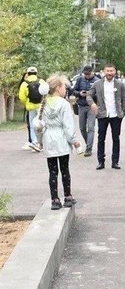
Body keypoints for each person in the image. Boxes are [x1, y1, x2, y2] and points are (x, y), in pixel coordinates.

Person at [36, 75, 81, 210]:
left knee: (52, 171)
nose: (65, 90)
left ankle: (54, 199)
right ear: (58, 88)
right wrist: (74, 140)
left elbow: (39, 125)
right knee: (64, 169)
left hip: (48, 139)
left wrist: (40, 142)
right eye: (64, 87)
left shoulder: (43, 104)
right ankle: (67, 196)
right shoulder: (64, 104)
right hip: (61, 139)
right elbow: (68, 126)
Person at [87, 63, 125, 170]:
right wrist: (93, 104)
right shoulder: (97, 84)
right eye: (107, 71)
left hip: (116, 115)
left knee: (116, 139)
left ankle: (115, 162)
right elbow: (88, 95)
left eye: (111, 71)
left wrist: (123, 112)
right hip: (102, 115)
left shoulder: (120, 84)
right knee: (101, 139)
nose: (109, 73)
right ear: (104, 72)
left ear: (115, 72)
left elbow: (124, 99)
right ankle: (101, 162)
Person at [72, 66, 99, 156]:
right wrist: (79, 93)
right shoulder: (80, 80)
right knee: (82, 128)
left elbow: (100, 94)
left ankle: (89, 148)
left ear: (92, 72)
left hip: (91, 106)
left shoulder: (97, 80)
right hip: (81, 106)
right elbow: (74, 91)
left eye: (88, 74)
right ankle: (88, 143)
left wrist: (90, 95)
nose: (86, 76)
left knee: (91, 128)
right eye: (85, 74)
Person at [18, 66, 46, 152]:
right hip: (40, 107)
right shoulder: (41, 81)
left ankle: (34, 143)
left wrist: (26, 103)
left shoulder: (24, 84)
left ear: (27, 73)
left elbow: (21, 97)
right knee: (41, 124)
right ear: (36, 73)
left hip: (30, 107)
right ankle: (42, 142)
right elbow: (46, 92)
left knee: (32, 125)